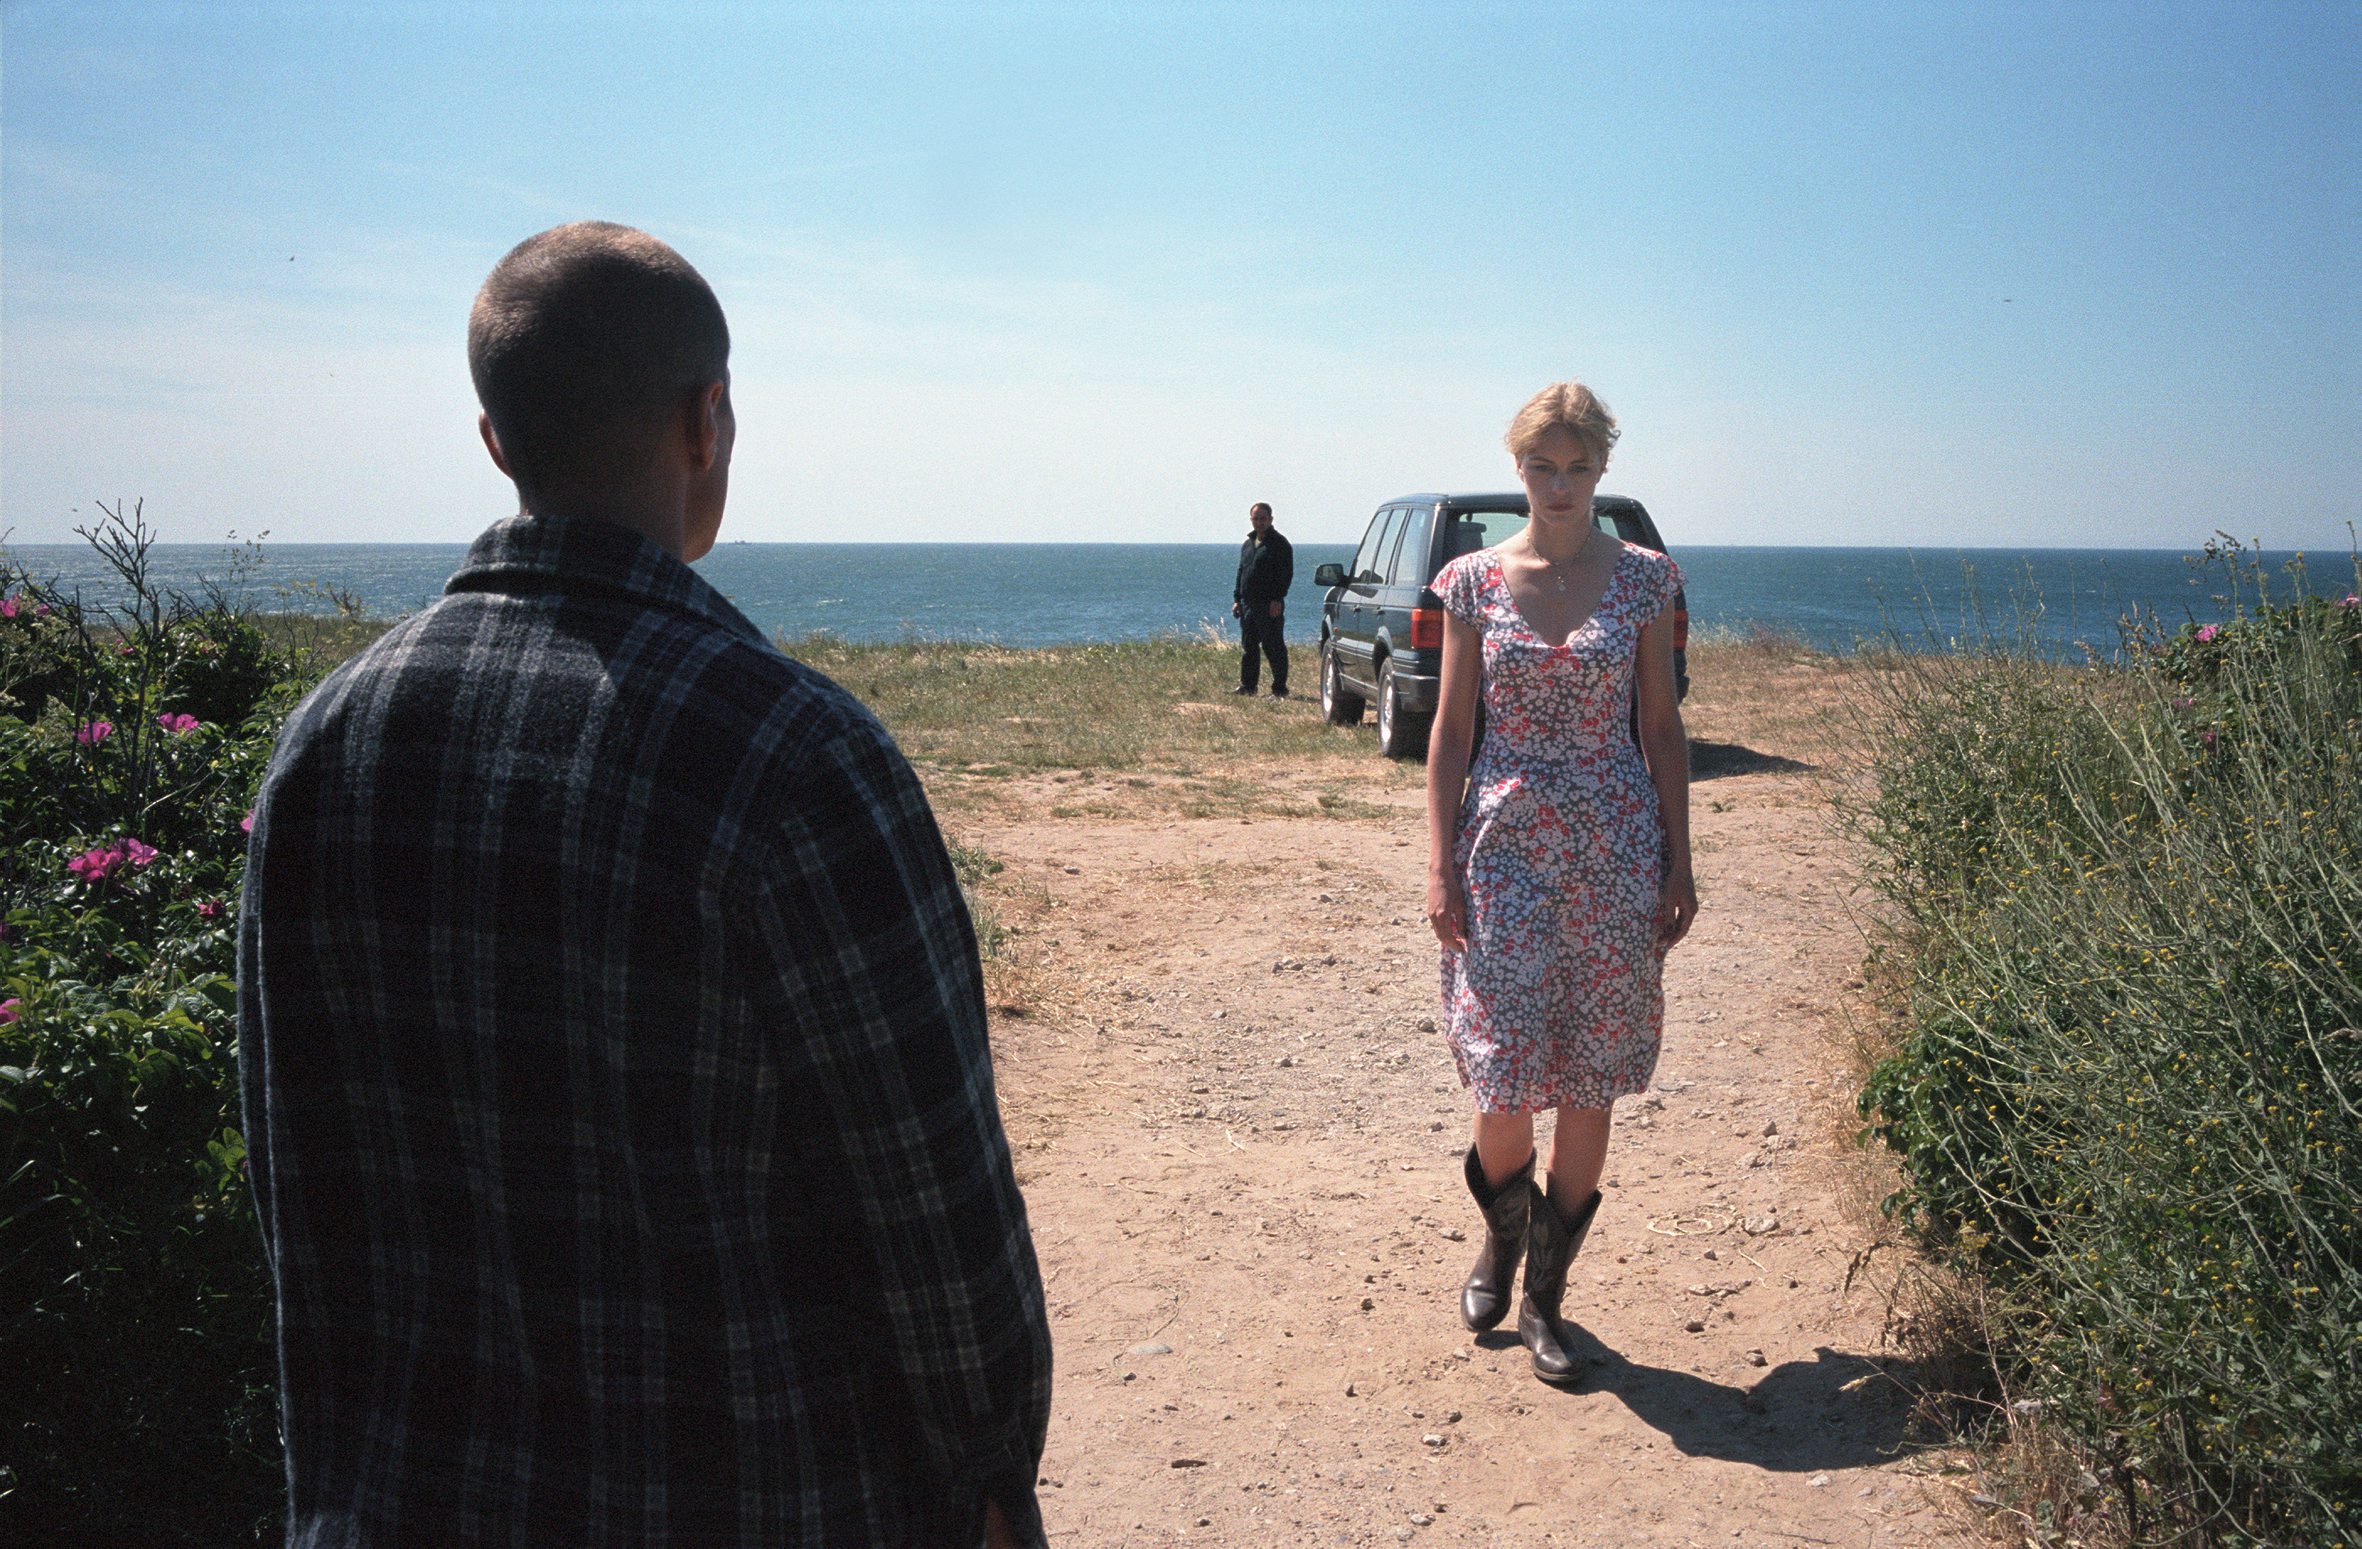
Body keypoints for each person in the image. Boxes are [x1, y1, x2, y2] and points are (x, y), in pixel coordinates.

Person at [238, 222, 1053, 1546]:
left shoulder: (324, 746)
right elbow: (933, 1215)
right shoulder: (796, 757)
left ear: (496, 440)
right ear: (705, 418)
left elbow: (298, 1185)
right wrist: (990, 1474)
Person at [1423, 379, 1696, 1386]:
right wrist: (1438, 862)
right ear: (1518, 468)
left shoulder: (1644, 581)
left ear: (1602, 468)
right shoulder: (1471, 582)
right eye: (1544, 466)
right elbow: (1451, 730)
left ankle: (1545, 1296)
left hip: (1615, 856)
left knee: (1589, 1077)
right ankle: (1500, 1240)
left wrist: (1679, 856)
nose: (1562, 485)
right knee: (1502, 1078)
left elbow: (1660, 726)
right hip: (1502, 857)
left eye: (1579, 467)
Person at [1231, 500, 1294, 696]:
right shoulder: (1248, 544)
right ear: (1251, 520)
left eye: (1263, 518)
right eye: (1256, 518)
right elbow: (1241, 572)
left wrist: (1277, 599)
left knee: (1273, 647)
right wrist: (1237, 599)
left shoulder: (1280, 544)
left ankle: (1279, 689)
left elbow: (1285, 574)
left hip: (1269, 604)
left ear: (1271, 519)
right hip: (1248, 604)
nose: (1259, 522)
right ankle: (1248, 686)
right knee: (1249, 647)